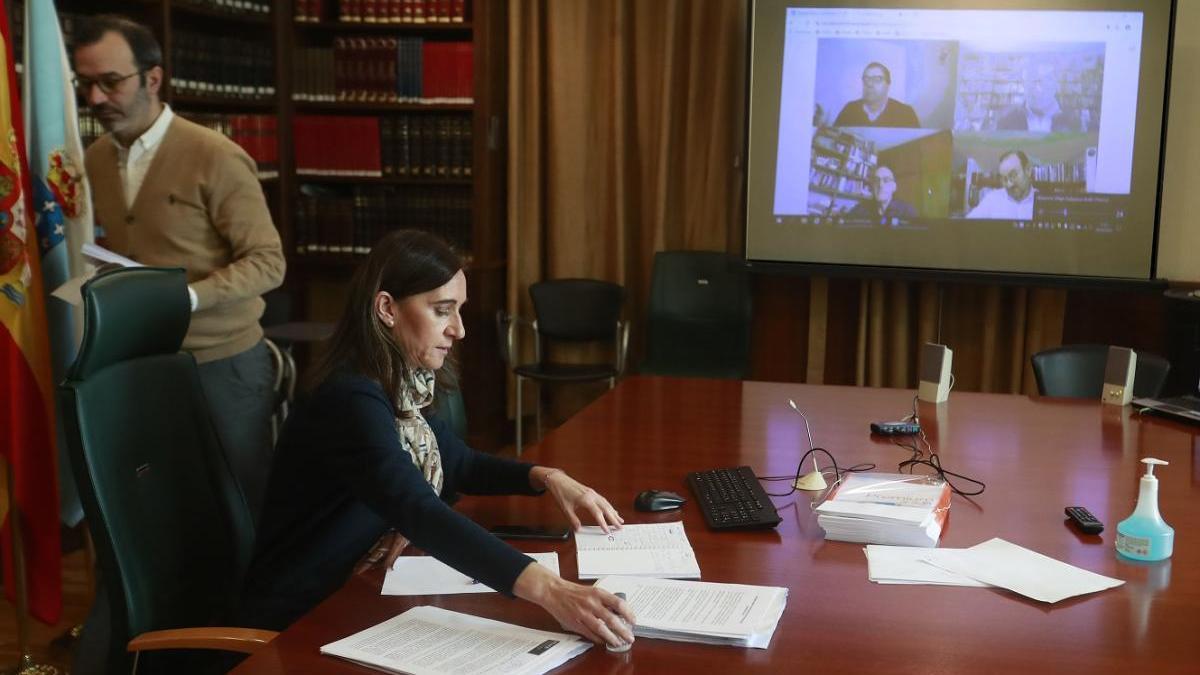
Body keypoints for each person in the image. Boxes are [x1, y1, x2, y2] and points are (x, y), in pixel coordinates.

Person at [237, 230, 637, 650]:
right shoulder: (349, 398)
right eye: (442, 311)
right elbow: (417, 509)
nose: (459, 330)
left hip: (361, 584)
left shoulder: (402, 384)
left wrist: (547, 476)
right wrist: (552, 591)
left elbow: (459, 463)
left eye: (458, 311)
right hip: (303, 616)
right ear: (387, 309)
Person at [72, 16, 285, 521]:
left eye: (110, 82)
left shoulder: (215, 155)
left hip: (223, 362)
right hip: (139, 360)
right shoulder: (98, 157)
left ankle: (254, 602)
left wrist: (187, 297)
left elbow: (268, 262)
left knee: (241, 502)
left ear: (152, 78)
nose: (96, 99)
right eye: (86, 84)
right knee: (161, 508)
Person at [996, 64, 1079, 133]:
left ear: (1056, 83)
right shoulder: (1007, 120)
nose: (1039, 89)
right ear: (1023, 84)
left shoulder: (1075, 120)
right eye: (1032, 81)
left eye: (1045, 80)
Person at [833, 62, 920, 128]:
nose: (870, 84)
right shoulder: (849, 110)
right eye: (866, 79)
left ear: (888, 85)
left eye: (877, 79)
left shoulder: (906, 113)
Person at [966, 150, 1037, 220]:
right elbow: (967, 226)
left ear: (1028, 170)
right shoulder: (992, 199)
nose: (1009, 184)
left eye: (1013, 175)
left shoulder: (1043, 200)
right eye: (1004, 179)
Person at [847, 165, 917, 221]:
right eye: (876, 180)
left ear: (894, 187)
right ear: (872, 187)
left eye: (886, 180)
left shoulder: (907, 211)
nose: (881, 185)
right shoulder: (860, 210)